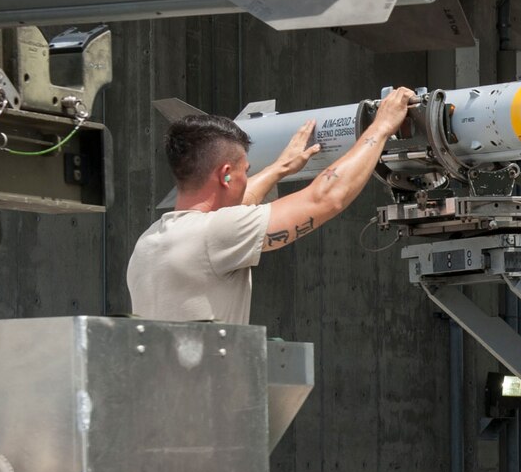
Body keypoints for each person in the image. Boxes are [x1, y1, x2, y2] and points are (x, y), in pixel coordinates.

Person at [126, 87, 419, 322]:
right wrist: (381, 127)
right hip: (213, 396)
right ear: (226, 175)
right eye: (246, 171)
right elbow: (325, 198)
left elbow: (233, 205)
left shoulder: (151, 241)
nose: (247, 179)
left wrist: (280, 168)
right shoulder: (212, 236)